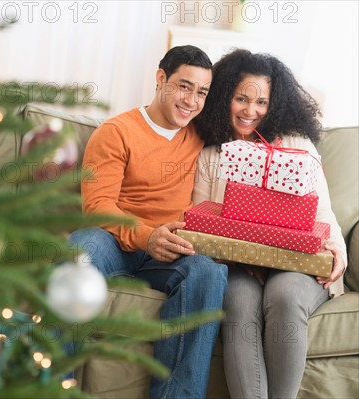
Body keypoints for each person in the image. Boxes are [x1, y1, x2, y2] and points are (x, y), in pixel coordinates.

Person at [70, 45, 228, 399]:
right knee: (81, 250)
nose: (191, 101)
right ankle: (49, 386)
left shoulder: (202, 135)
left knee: (208, 271)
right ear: (161, 79)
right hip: (113, 242)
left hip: (168, 252)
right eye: (184, 87)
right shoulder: (117, 132)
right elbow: (97, 207)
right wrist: (146, 236)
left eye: (201, 92)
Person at [193, 49, 347, 399]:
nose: (251, 111)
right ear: (224, 98)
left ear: (275, 104)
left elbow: (323, 213)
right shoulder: (210, 155)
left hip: (299, 263)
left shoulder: (297, 145)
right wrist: (239, 258)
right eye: (241, 99)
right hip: (235, 263)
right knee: (238, 299)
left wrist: (337, 251)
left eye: (262, 101)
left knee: (286, 294)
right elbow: (203, 224)